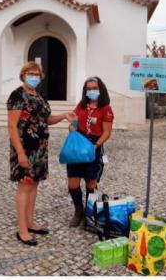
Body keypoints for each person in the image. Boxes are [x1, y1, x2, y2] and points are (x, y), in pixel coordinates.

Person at [7, 62, 75, 246]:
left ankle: (30, 221)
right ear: (23, 75)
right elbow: (12, 126)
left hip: (40, 149)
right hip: (25, 149)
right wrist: (20, 154)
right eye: (30, 73)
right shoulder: (17, 95)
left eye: (37, 74)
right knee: (25, 186)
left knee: (34, 184)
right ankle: (22, 230)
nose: (34, 76)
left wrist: (63, 116)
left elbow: (45, 119)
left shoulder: (39, 95)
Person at [67, 76, 114, 227]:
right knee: (73, 183)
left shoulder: (106, 109)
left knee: (91, 183)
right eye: (89, 89)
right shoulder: (81, 106)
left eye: (94, 88)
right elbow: (73, 122)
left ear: (101, 90)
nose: (92, 91)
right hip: (78, 145)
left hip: (94, 146)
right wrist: (72, 128)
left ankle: (89, 213)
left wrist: (95, 146)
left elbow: (107, 132)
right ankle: (78, 211)